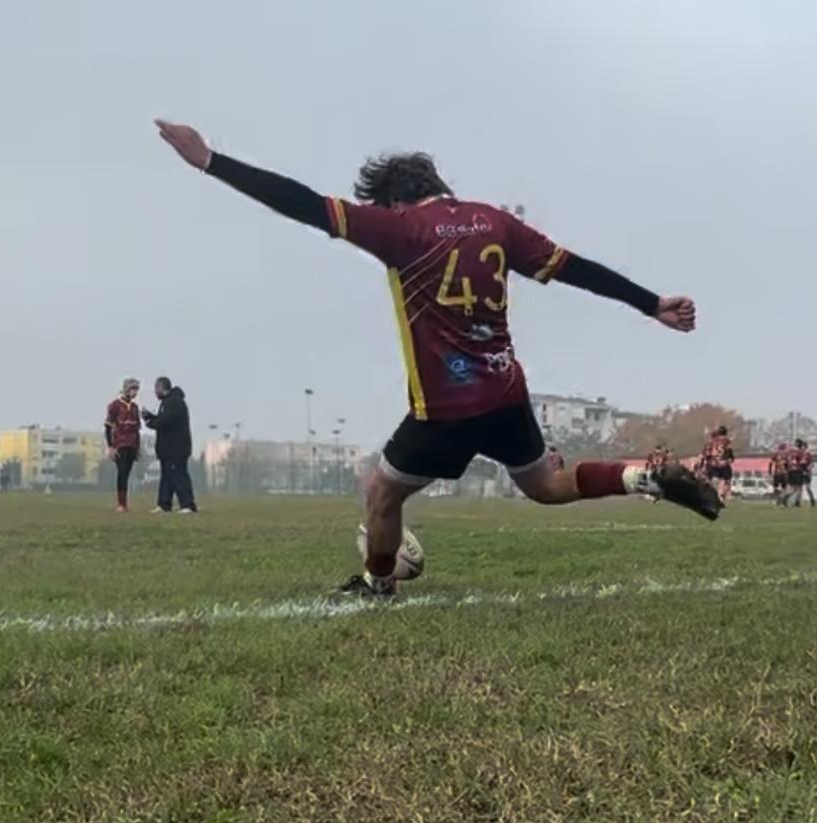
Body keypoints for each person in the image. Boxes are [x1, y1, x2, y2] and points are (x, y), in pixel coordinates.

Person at [155, 120, 719, 597]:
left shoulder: (400, 228)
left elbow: (307, 205)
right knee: (548, 485)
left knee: (381, 493)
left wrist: (210, 161)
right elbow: (576, 269)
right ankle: (643, 476)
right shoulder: (495, 222)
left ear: (394, 199)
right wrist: (651, 304)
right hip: (506, 395)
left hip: (444, 408)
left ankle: (378, 588)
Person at [142, 376, 197, 513]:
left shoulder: (175, 402)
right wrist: (150, 416)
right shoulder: (167, 402)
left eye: (156, 388)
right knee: (167, 477)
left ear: (162, 388)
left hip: (176, 448)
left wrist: (150, 423)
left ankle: (187, 504)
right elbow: (162, 419)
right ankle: (164, 504)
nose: (155, 392)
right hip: (167, 449)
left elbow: (165, 421)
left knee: (178, 476)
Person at [105, 378, 143, 513]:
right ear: (126, 389)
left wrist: (138, 448)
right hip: (120, 444)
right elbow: (108, 427)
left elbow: (137, 429)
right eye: (133, 389)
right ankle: (121, 504)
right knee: (122, 473)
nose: (135, 392)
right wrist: (110, 447)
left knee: (127, 473)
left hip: (132, 444)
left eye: (136, 390)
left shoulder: (135, 407)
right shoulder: (115, 405)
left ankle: (125, 503)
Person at [701, 426, 736, 503]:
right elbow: (729, 451)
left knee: (713, 480)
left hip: (713, 463)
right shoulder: (727, 441)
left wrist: (706, 460)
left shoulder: (712, 441)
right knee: (725, 480)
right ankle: (721, 496)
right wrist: (731, 458)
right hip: (723, 463)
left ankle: (712, 495)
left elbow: (706, 454)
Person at [788, 438, 815, 508]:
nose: (802, 448)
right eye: (802, 446)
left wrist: (807, 470)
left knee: (807, 488)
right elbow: (797, 462)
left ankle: (812, 500)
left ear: (806, 447)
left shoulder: (808, 454)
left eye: (804, 446)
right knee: (799, 488)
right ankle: (797, 502)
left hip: (806, 473)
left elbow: (811, 463)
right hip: (800, 472)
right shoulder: (799, 453)